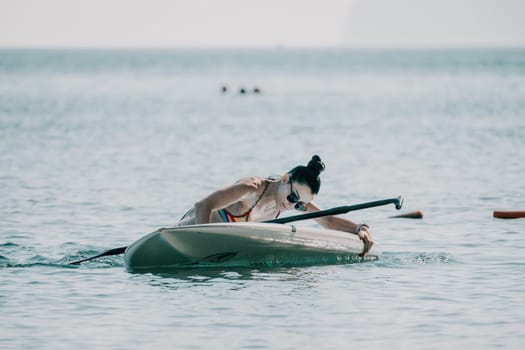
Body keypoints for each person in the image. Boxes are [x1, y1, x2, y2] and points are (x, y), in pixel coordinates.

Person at [177, 155, 374, 255]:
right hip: (184, 235)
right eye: (293, 197)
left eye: (300, 204)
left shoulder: (295, 202)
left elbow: (328, 220)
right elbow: (202, 206)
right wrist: (201, 249)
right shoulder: (251, 188)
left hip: (215, 250)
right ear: (285, 179)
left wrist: (360, 228)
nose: (292, 205)